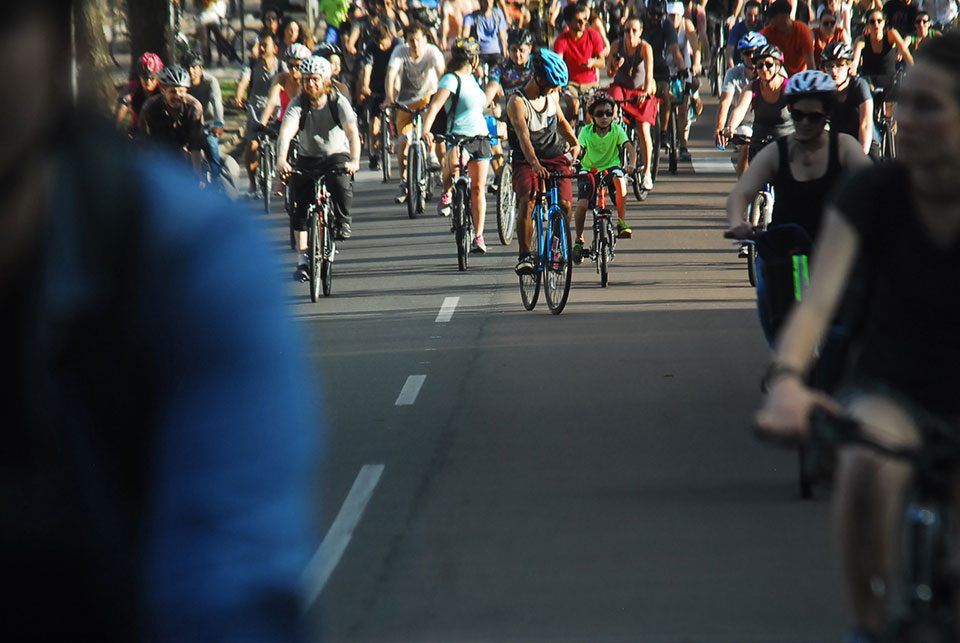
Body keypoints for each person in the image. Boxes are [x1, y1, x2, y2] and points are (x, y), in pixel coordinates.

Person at [4, 1, 320, 639]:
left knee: (215, 160)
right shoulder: (148, 112)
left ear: (59, 46)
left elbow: (231, 593)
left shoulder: (190, 261)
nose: (165, 90)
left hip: (185, 162)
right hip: (157, 152)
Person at [754, 34, 960, 643]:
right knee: (864, 465)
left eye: (929, 105)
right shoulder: (871, 193)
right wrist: (787, 380)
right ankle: (866, 629)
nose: (906, 118)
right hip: (892, 388)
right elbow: (815, 304)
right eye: (905, 101)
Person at [724, 69, 869, 341]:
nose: (804, 123)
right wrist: (737, 222)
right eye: (797, 114)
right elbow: (740, 194)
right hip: (787, 249)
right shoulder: (777, 152)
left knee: (858, 310)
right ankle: (782, 354)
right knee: (768, 293)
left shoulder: (844, 147)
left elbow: (873, 184)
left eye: (813, 116)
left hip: (834, 246)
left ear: (827, 115)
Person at [277, 56, 361, 280]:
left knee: (340, 182)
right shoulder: (298, 103)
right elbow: (286, 133)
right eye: (306, 79)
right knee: (298, 205)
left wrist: (354, 160)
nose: (310, 84)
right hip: (308, 157)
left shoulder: (337, 101)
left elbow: (352, 133)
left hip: (336, 154)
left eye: (315, 79)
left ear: (325, 80)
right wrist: (282, 160)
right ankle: (302, 261)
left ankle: (343, 220)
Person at [506, 48, 580, 275]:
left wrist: (575, 143)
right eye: (552, 85)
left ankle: (556, 249)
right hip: (526, 159)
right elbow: (523, 138)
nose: (556, 90)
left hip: (554, 155)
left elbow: (561, 123)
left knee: (565, 204)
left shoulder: (551, 97)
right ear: (539, 79)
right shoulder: (517, 102)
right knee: (529, 199)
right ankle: (524, 255)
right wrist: (535, 165)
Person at [422, 38, 494, 253]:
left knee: (478, 188)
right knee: (452, 168)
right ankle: (447, 191)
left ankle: (478, 237)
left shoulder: (473, 80)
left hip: (480, 137)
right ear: (474, 60)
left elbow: (477, 108)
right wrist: (426, 130)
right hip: (458, 136)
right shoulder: (451, 80)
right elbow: (435, 106)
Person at [384, 21, 445, 204]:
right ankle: (404, 181)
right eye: (411, 41)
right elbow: (391, 74)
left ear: (425, 40)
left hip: (427, 98)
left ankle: (431, 155)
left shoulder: (432, 52)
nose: (415, 44)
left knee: (428, 127)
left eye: (418, 40)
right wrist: (389, 97)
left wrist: (444, 95)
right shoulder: (400, 51)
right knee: (404, 142)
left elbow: (442, 73)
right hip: (405, 102)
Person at [572, 93, 637, 263]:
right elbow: (578, 147)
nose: (604, 117)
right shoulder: (586, 131)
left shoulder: (617, 130)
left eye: (608, 113)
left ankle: (621, 222)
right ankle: (579, 240)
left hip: (611, 168)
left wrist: (631, 164)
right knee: (582, 204)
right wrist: (572, 160)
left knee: (620, 180)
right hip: (589, 170)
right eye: (600, 114)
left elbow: (630, 149)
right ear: (592, 116)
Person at [607, 16, 658, 190]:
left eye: (634, 30)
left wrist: (646, 91)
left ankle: (647, 173)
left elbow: (649, 74)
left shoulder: (645, 48)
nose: (630, 34)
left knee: (643, 128)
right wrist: (615, 65)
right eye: (627, 30)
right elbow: (609, 72)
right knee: (611, 114)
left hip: (639, 91)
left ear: (640, 32)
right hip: (621, 89)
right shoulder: (616, 45)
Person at [721, 44, 793, 160]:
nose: (764, 69)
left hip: (786, 147)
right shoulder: (752, 87)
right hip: (759, 145)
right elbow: (740, 110)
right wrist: (730, 128)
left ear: (778, 66)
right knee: (749, 161)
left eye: (769, 65)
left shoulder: (789, 87)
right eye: (760, 66)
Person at [235, 30, 283, 197]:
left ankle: (283, 182)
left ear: (275, 48)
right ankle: (252, 183)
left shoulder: (280, 66)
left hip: (275, 109)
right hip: (255, 109)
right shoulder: (251, 64)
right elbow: (244, 81)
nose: (261, 49)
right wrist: (238, 96)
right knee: (252, 146)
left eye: (265, 45)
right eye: (260, 45)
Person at [139, 65, 207, 180]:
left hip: (188, 153)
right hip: (160, 154)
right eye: (173, 92)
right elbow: (145, 144)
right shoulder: (149, 108)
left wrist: (198, 175)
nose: (177, 96)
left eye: (181, 91)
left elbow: (196, 144)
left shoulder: (194, 107)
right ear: (163, 91)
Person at [716, 32, 767, 176]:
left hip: (768, 122)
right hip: (744, 123)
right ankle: (744, 187)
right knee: (746, 148)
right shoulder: (734, 74)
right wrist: (721, 128)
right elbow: (726, 102)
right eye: (747, 52)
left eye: (755, 52)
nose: (751, 56)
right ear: (741, 55)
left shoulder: (774, 70)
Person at [642, 0, 687, 143]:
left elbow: (674, 50)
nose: (656, 18)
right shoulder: (639, 23)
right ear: (647, 12)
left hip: (660, 67)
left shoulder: (667, 25)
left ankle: (663, 132)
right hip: (642, 67)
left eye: (659, 15)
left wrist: (682, 69)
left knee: (664, 94)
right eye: (652, 14)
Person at [553, 1, 606, 119]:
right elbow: (557, 65)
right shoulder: (562, 40)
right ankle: (569, 129)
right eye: (578, 20)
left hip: (590, 83)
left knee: (590, 112)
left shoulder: (593, 36)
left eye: (584, 19)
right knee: (573, 105)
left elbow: (602, 62)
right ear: (568, 22)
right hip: (571, 83)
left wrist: (593, 62)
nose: (583, 23)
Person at [360, 23, 402, 169]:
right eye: (378, 44)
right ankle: (375, 153)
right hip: (377, 84)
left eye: (383, 44)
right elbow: (368, 67)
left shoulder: (398, 44)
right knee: (374, 125)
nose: (380, 47)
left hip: (396, 83)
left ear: (389, 38)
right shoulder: (371, 46)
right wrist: (365, 85)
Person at [820, 41, 874, 155]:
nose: (834, 71)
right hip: (839, 144)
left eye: (839, 65)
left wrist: (861, 156)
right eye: (829, 66)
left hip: (864, 143)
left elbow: (865, 125)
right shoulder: (823, 90)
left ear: (848, 67)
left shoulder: (859, 86)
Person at [666, 1, 702, 162]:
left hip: (683, 67)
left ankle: (683, 146)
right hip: (665, 67)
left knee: (682, 109)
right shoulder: (663, 25)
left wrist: (696, 64)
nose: (673, 19)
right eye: (670, 16)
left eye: (676, 16)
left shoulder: (686, 25)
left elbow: (695, 48)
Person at [182, 50, 225, 182]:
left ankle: (216, 179)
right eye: (187, 67)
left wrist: (219, 123)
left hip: (208, 123)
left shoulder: (210, 82)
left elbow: (217, 102)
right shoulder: (182, 83)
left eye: (194, 67)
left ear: (200, 68)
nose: (191, 71)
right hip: (187, 124)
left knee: (211, 144)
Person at [852, 9, 913, 91]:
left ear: (884, 22)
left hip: (890, 82)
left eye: (879, 21)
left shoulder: (891, 34)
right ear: (867, 25)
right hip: (869, 84)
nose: (876, 24)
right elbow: (854, 62)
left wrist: (914, 73)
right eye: (872, 22)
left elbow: (906, 54)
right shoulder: (861, 40)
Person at [259, 43, 312, 128]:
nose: (294, 70)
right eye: (290, 66)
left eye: (298, 66)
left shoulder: (309, 83)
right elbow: (270, 103)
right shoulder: (281, 79)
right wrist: (261, 125)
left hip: (304, 126)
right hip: (283, 124)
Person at [761, 0, 816, 75]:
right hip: (779, 76)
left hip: (800, 77)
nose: (769, 20)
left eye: (772, 16)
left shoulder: (802, 30)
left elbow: (811, 66)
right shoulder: (769, 32)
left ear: (783, 17)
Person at [116, 52, 164, 133]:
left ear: (158, 77)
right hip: (137, 131)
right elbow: (122, 106)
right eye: (145, 78)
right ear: (139, 76)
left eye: (152, 78)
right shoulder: (132, 88)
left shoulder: (163, 90)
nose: (148, 82)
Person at [462, 0, 509, 71]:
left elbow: (465, 36)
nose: (488, 3)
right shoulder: (498, 14)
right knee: (495, 73)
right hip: (484, 52)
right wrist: (504, 55)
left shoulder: (471, 17)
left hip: (482, 52)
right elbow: (502, 37)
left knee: (478, 72)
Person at [727, 0, 765, 66]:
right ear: (745, 14)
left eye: (755, 16)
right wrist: (732, 68)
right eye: (749, 15)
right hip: (739, 65)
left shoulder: (763, 28)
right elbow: (729, 52)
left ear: (759, 16)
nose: (752, 19)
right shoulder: (737, 28)